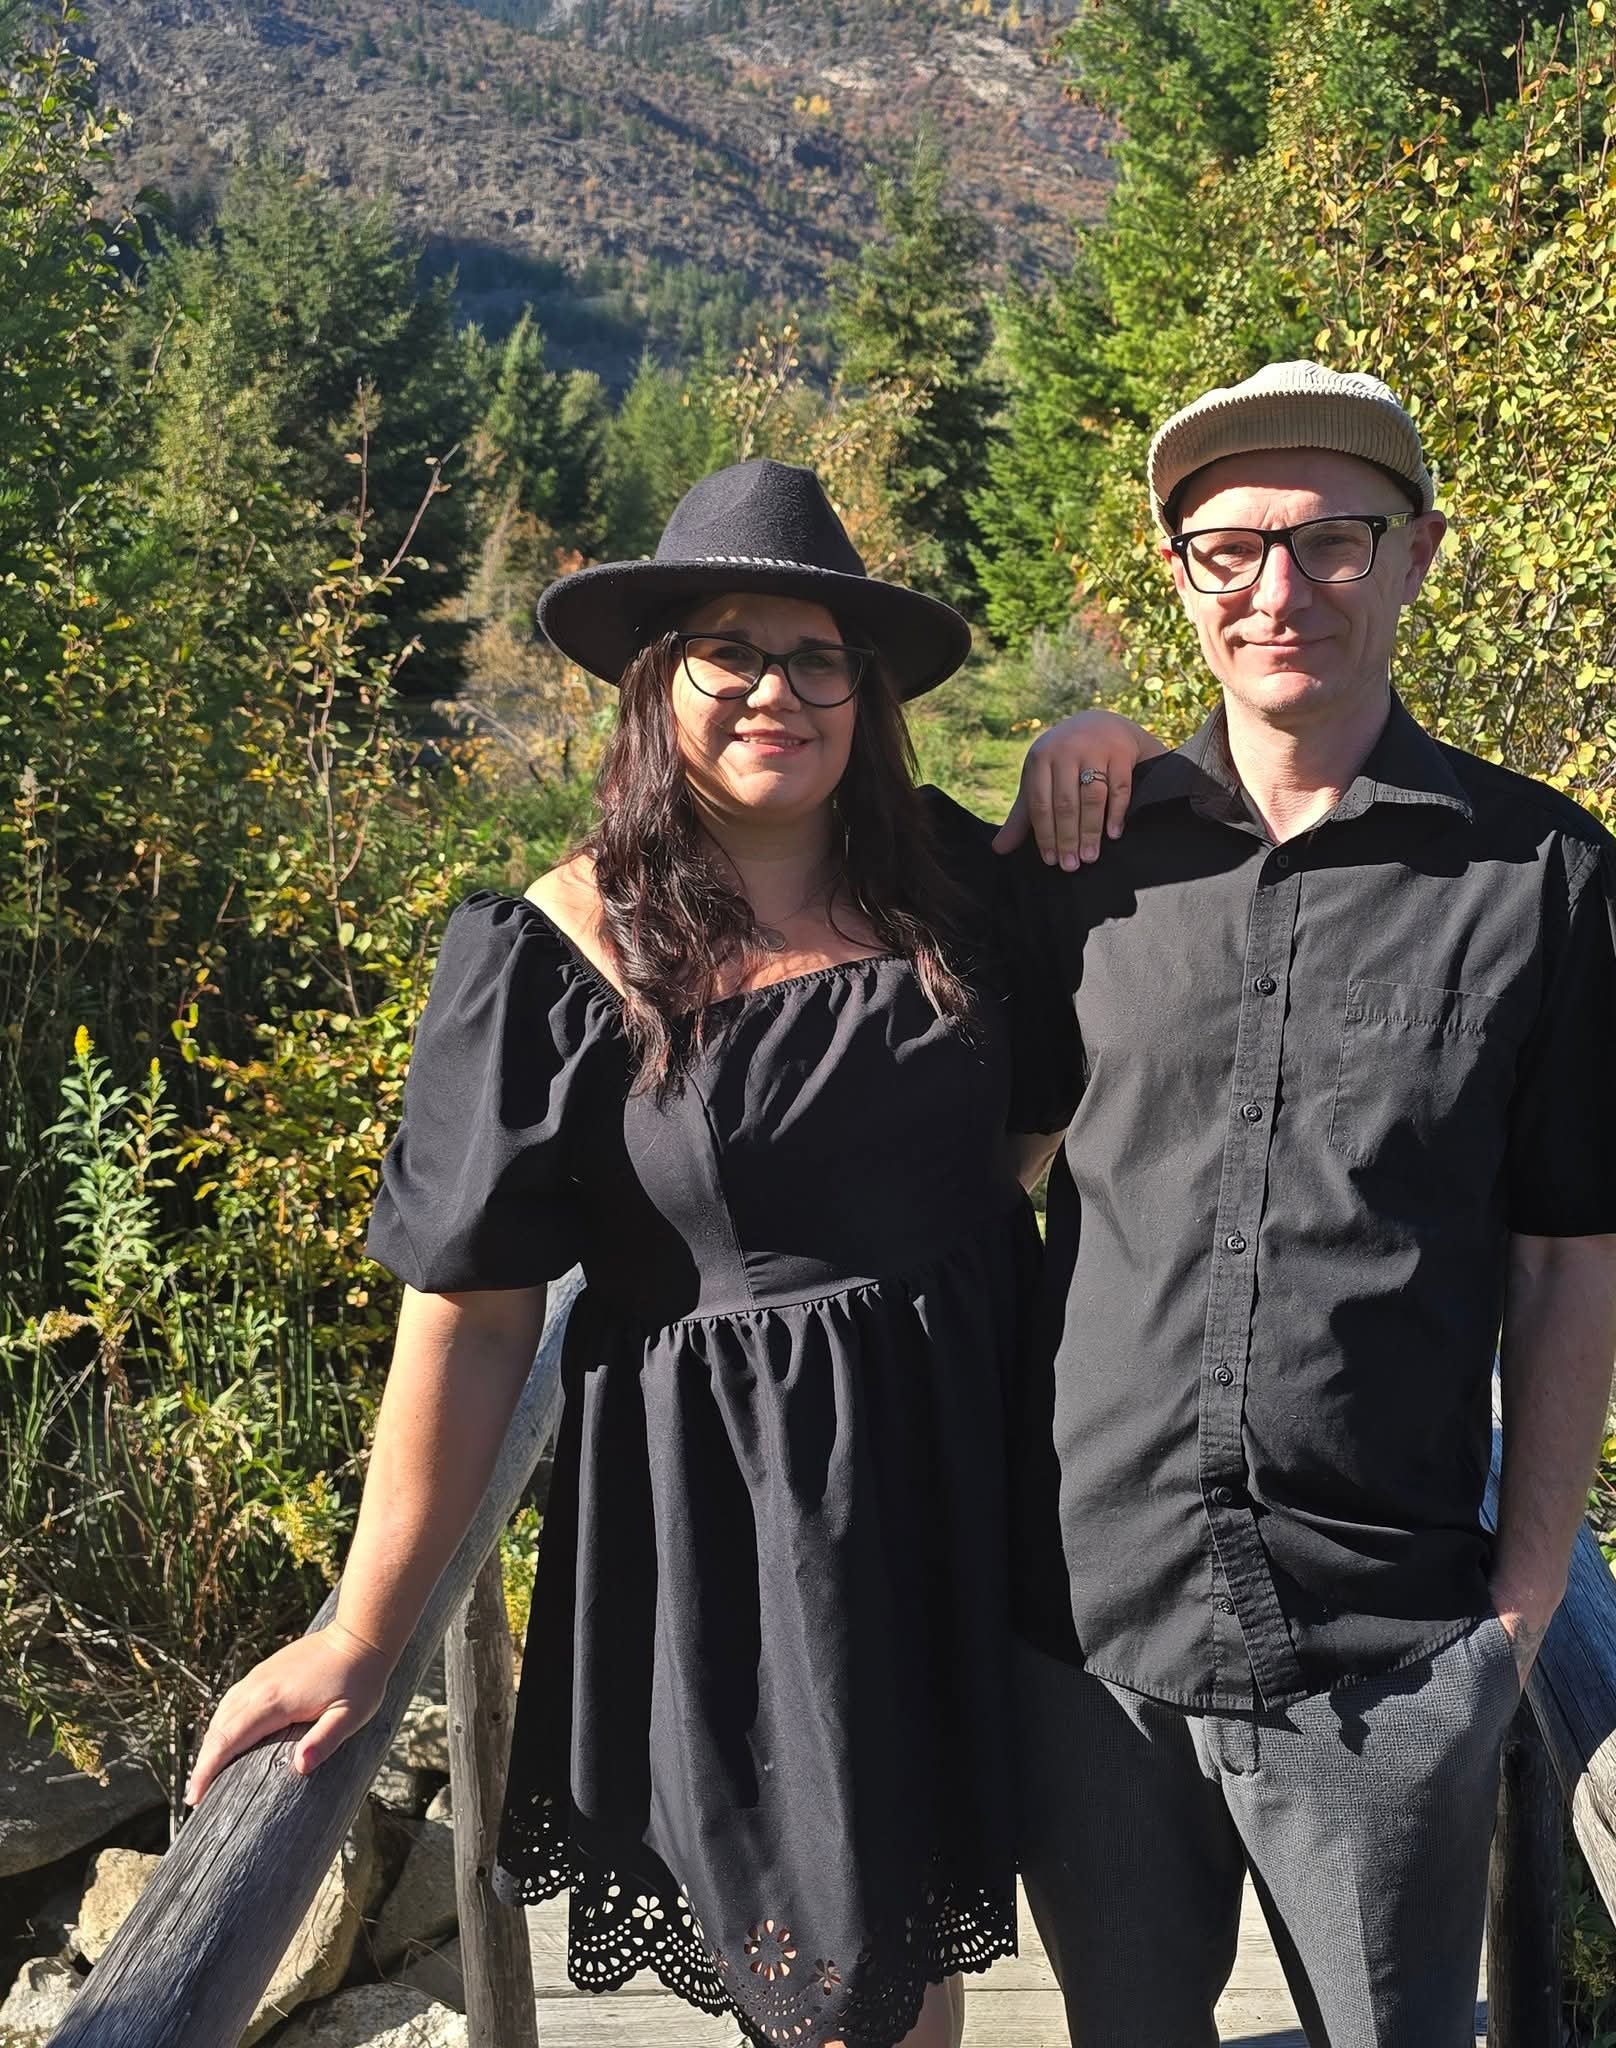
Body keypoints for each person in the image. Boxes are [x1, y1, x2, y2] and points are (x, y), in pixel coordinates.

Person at [183, 458, 1156, 2048]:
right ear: (659, 683)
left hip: (987, 1475)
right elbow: (475, 1316)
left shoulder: (955, 894)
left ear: (868, 691)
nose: (777, 688)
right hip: (754, 1525)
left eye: (818, 655)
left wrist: (1099, 740)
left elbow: (1024, 1138)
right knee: (844, 1993)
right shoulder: (556, 951)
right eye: (731, 648)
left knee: (934, 1939)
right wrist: (361, 1630)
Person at [1001, 361, 1616, 2048]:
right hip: (1084, 1632)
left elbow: (1565, 1261)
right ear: (1180, 578)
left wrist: (1516, 1625)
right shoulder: (1082, 871)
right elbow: (963, 1172)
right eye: (1230, 550)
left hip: (1387, 1654)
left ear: (1415, 557)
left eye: (1331, 540)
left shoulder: (1537, 871)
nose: (1279, 589)